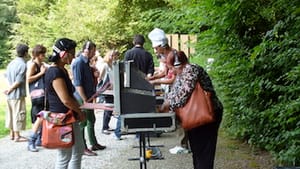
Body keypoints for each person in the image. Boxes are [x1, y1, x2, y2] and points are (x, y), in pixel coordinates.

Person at [159, 51, 223, 169]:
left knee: (204, 153)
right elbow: (174, 93)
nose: (170, 71)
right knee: (197, 151)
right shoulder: (181, 73)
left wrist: (167, 104)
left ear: (177, 64)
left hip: (207, 114)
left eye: (171, 67)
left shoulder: (191, 69)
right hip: (195, 116)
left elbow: (183, 94)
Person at [44, 38, 85, 169]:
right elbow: (66, 99)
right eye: (72, 53)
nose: (73, 57)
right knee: (64, 156)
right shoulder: (55, 72)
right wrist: (80, 112)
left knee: (78, 150)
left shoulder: (62, 70)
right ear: (63, 53)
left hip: (69, 117)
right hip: (62, 120)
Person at [148, 28, 189, 153]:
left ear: (162, 46)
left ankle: (184, 144)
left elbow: (174, 79)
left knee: (181, 116)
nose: (155, 51)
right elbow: (165, 73)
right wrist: (153, 77)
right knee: (176, 117)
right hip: (173, 90)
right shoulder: (166, 56)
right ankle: (182, 143)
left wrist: (155, 82)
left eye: (156, 48)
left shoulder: (174, 56)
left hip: (180, 90)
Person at [72, 40, 106, 156]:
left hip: (89, 96)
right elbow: (78, 84)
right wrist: (85, 99)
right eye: (93, 51)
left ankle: (94, 143)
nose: (94, 53)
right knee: (83, 122)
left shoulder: (87, 63)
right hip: (82, 97)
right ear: (88, 50)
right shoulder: (78, 63)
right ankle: (83, 147)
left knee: (92, 119)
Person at [4, 44, 29, 142]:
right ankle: (17, 136)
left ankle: (12, 134)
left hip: (9, 95)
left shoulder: (11, 63)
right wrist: (10, 89)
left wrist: (8, 89)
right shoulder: (22, 65)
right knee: (18, 113)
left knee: (10, 113)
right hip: (17, 94)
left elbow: (5, 76)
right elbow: (18, 82)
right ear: (26, 53)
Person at [26, 44, 48, 152]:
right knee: (38, 118)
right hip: (36, 95)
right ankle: (32, 141)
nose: (44, 55)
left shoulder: (42, 64)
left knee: (41, 117)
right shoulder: (33, 65)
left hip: (42, 95)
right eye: (43, 53)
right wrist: (41, 73)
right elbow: (28, 79)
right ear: (38, 55)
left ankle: (39, 138)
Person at [97, 49, 119, 135]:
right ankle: (104, 127)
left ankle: (106, 126)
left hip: (112, 89)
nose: (113, 57)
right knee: (108, 107)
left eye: (115, 56)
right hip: (107, 90)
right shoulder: (105, 65)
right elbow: (100, 78)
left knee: (110, 108)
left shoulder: (113, 65)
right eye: (112, 55)